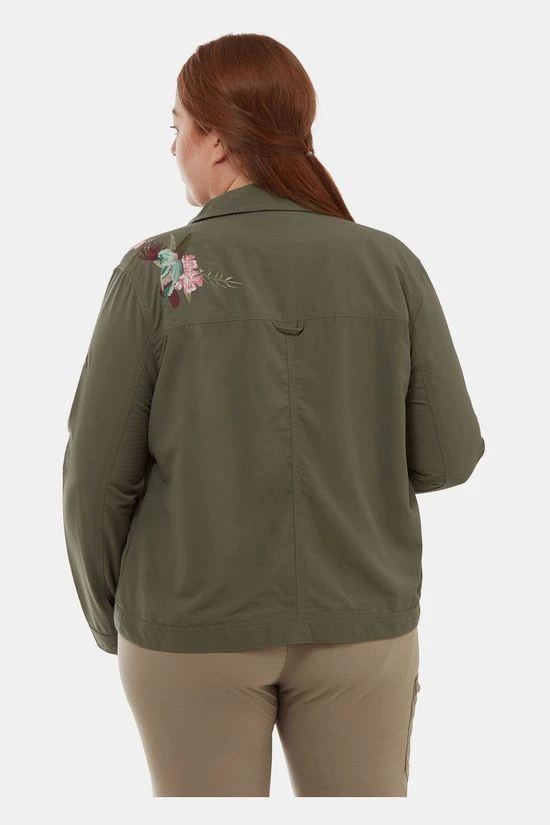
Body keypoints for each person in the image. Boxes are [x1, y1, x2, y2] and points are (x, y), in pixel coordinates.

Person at [62, 33, 485, 797]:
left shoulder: (159, 269)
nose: (174, 148)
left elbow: (94, 478)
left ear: (218, 140)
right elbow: (449, 457)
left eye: (178, 127)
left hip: (189, 629)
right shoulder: (388, 263)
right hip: (360, 622)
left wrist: (108, 619)